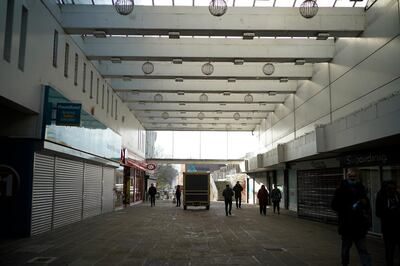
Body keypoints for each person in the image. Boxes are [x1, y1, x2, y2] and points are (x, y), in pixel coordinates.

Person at [331, 168, 372, 266]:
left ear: (357, 177)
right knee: (345, 249)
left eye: (354, 176)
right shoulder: (340, 189)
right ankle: (345, 264)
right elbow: (334, 205)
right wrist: (347, 208)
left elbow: (367, 205)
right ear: (347, 176)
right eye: (350, 176)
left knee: (363, 249)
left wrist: (364, 204)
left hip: (359, 225)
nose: (352, 178)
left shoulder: (360, 188)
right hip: (347, 224)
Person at [376, 180, 400, 266]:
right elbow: (378, 213)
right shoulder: (382, 196)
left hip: (397, 226)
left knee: (391, 249)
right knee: (390, 249)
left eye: (394, 188)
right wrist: (389, 212)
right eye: (390, 188)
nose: (392, 190)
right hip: (388, 228)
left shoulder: (397, 195)